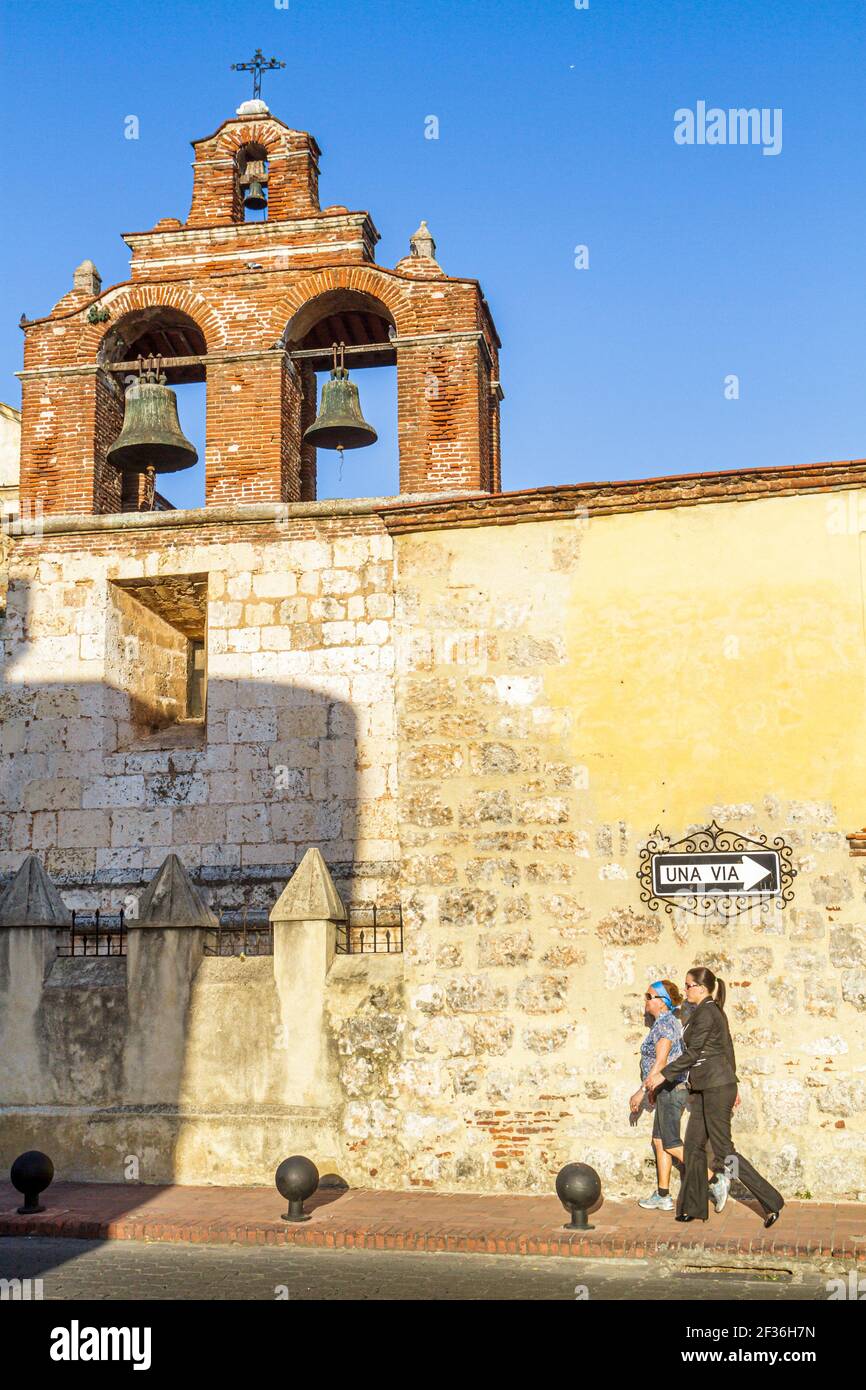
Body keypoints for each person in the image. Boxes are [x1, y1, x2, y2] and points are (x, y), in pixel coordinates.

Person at [644, 966, 784, 1227]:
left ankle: (771, 1200)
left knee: (725, 1152)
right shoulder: (705, 1012)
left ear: (701, 988)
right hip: (705, 1088)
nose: (684, 990)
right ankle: (693, 1207)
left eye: (688, 985)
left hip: (717, 1089)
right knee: (693, 1147)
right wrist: (735, 1082)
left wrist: (663, 1074)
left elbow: (693, 1053)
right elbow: (727, 1048)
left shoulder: (708, 1012)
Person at [630, 980, 718, 1211]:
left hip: (671, 1089)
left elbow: (661, 1061)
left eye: (649, 997)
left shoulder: (666, 1024)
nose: (646, 1001)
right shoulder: (662, 1023)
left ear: (661, 1002)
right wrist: (653, 1090)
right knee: (660, 1141)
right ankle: (663, 1195)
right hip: (664, 1090)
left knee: (671, 1143)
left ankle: (716, 1180)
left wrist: (642, 1091)